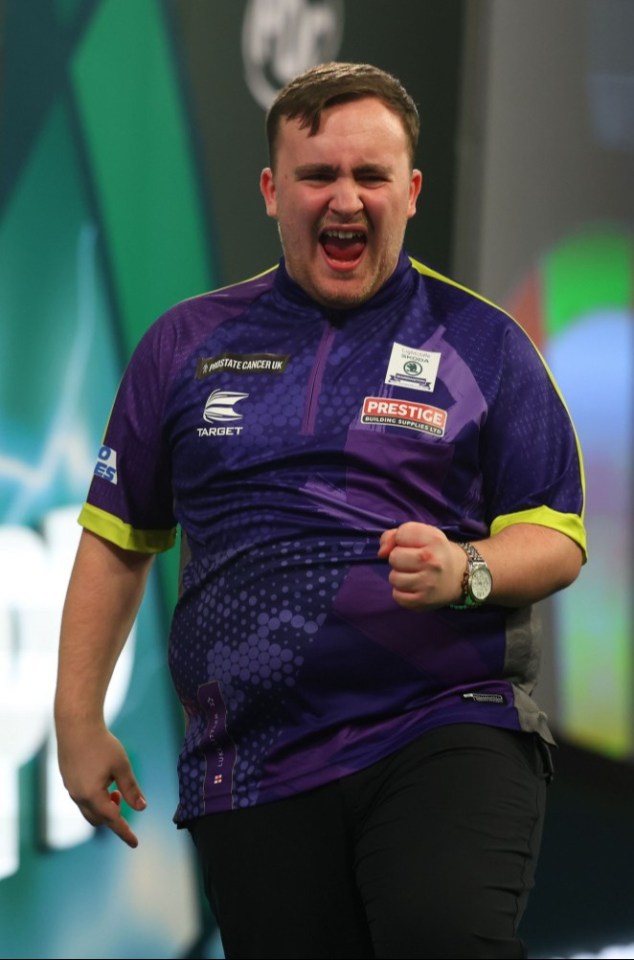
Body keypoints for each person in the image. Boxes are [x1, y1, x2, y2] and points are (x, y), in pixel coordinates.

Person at [54, 61, 586, 959]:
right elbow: (119, 539)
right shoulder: (184, 345)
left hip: (441, 719)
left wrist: (469, 568)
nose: (346, 198)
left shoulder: (484, 343)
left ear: (411, 192)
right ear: (272, 190)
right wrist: (76, 721)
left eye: (371, 176)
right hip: (253, 761)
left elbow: (558, 536)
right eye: (319, 175)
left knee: (442, 937)